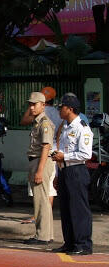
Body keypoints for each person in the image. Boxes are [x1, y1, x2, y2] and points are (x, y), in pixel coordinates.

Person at [51, 95, 94, 255]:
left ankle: (83, 244)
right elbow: (60, 150)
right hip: (64, 170)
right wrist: (57, 172)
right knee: (66, 208)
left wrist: (65, 158)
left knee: (79, 209)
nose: (59, 110)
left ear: (70, 109)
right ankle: (69, 242)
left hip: (76, 170)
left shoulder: (82, 128)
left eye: (61, 107)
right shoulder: (65, 127)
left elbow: (85, 154)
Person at [23, 92, 55, 246]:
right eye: (30, 104)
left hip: (40, 161)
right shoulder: (37, 122)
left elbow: (46, 147)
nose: (31, 107)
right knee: (43, 200)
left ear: (43, 105)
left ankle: (42, 235)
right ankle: (46, 234)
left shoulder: (44, 123)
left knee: (41, 200)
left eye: (34, 104)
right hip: (36, 161)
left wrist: (40, 170)